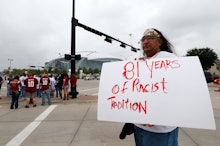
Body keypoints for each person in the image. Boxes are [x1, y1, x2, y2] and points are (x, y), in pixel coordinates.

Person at [133, 28, 178, 146]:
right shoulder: (141, 62)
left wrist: (159, 114)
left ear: (160, 42)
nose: (145, 42)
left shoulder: (167, 58)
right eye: (143, 39)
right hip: (139, 125)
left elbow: (174, 90)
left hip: (159, 129)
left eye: (150, 38)